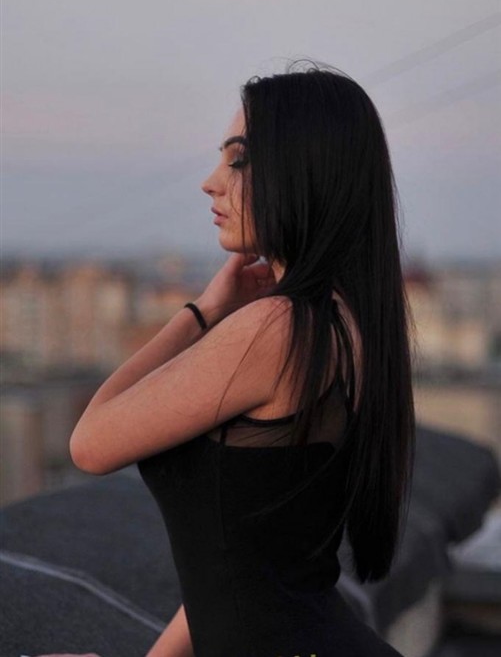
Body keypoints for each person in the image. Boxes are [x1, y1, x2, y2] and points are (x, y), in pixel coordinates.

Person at [39, 59, 415, 657]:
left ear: (303, 172)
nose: (211, 182)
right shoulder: (343, 322)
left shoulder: (279, 328)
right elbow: (241, 560)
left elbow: (90, 442)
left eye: (238, 160)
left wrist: (202, 312)